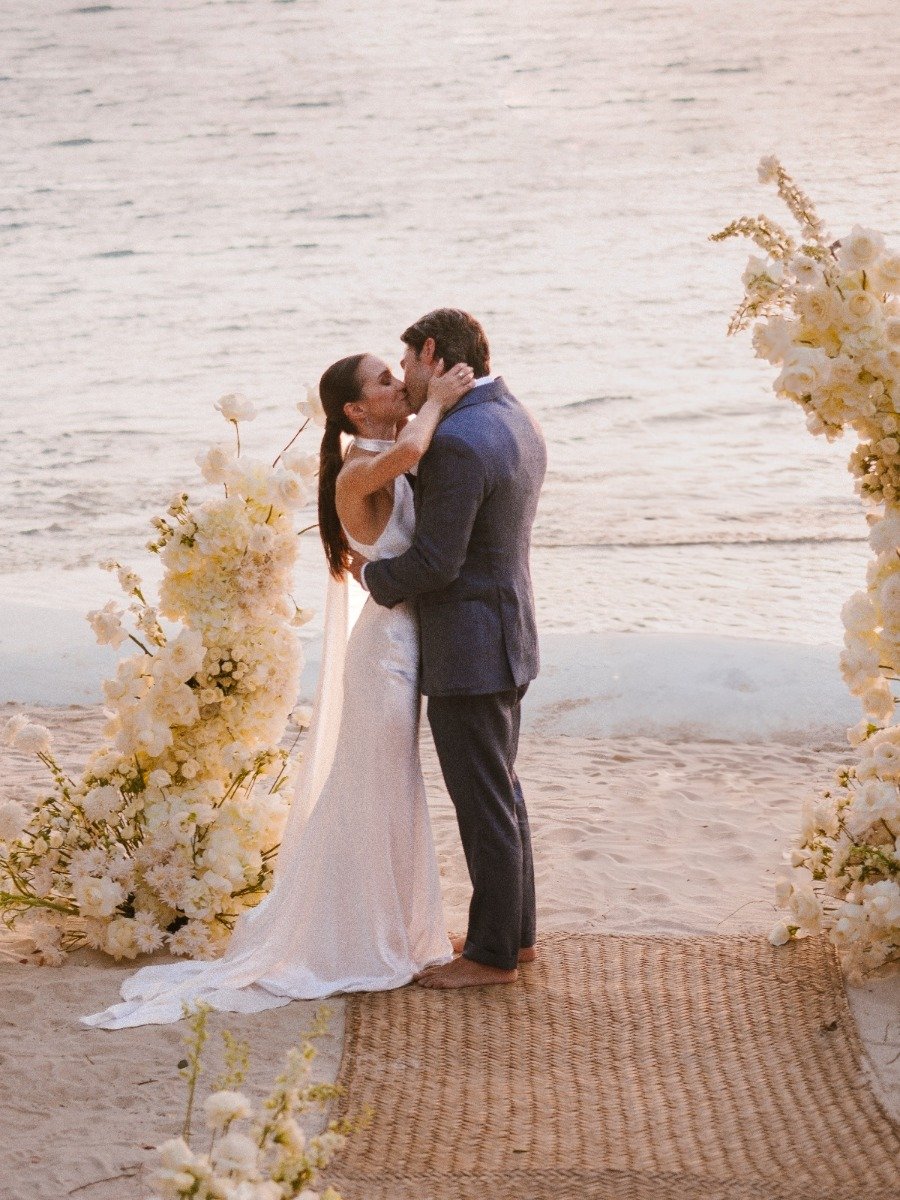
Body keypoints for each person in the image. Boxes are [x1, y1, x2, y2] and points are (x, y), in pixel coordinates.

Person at [81, 351, 473, 1028]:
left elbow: (416, 462)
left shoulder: (379, 456)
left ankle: (394, 929)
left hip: (400, 645)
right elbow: (412, 447)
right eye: (384, 381)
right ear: (355, 410)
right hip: (384, 656)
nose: (397, 385)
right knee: (378, 788)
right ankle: (363, 940)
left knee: (390, 789)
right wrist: (437, 398)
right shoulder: (357, 469)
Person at [353, 308, 547, 989]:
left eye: (406, 363)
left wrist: (372, 576)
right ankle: (514, 937)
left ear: (431, 353)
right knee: (501, 791)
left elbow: (436, 562)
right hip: (509, 632)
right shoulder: (512, 413)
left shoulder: (460, 441)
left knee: (483, 800)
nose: (404, 377)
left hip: (471, 644)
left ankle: (492, 956)